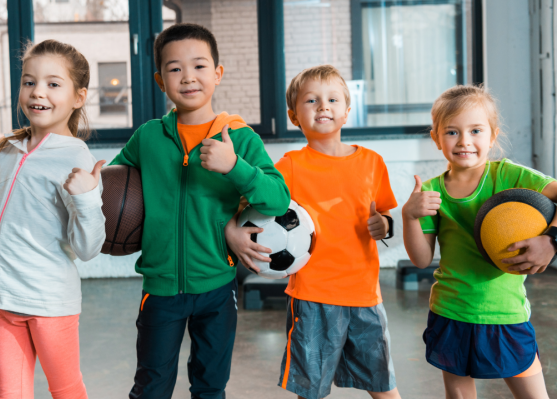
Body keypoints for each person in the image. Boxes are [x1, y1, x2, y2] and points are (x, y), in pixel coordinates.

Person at [109, 23, 290, 399]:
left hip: (218, 288)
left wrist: (235, 166)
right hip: (160, 288)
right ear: (160, 81)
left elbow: (277, 199)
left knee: (210, 386)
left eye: (199, 66)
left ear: (218, 74)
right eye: (175, 69)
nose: (188, 77)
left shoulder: (239, 138)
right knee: (151, 387)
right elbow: (112, 187)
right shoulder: (148, 137)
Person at [226, 65, 402, 399]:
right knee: (310, 391)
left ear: (347, 112)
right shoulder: (288, 167)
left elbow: (385, 214)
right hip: (311, 296)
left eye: (333, 99)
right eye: (311, 100)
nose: (323, 106)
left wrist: (387, 224)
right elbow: (251, 208)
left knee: (383, 385)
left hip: (364, 294)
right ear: (294, 115)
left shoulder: (372, 163)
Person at [0, 39, 106, 398]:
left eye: (53, 84)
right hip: (4, 300)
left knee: (66, 390)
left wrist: (86, 197)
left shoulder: (76, 158)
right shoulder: (7, 149)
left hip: (49, 303)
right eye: (29, 82)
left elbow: (88, 248)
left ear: (79, 97)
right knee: (10, 394)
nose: (38, 92)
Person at [402, 85, 553, 399]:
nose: (465, 141)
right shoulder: (430, 192)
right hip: (451, 310)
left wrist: (551, 240)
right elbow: (419, 259)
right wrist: (410, 216)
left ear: (493, 136)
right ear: (436, 138)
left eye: (475, 130)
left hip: (505, 314)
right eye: (452, 132)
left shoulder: (509, 176)